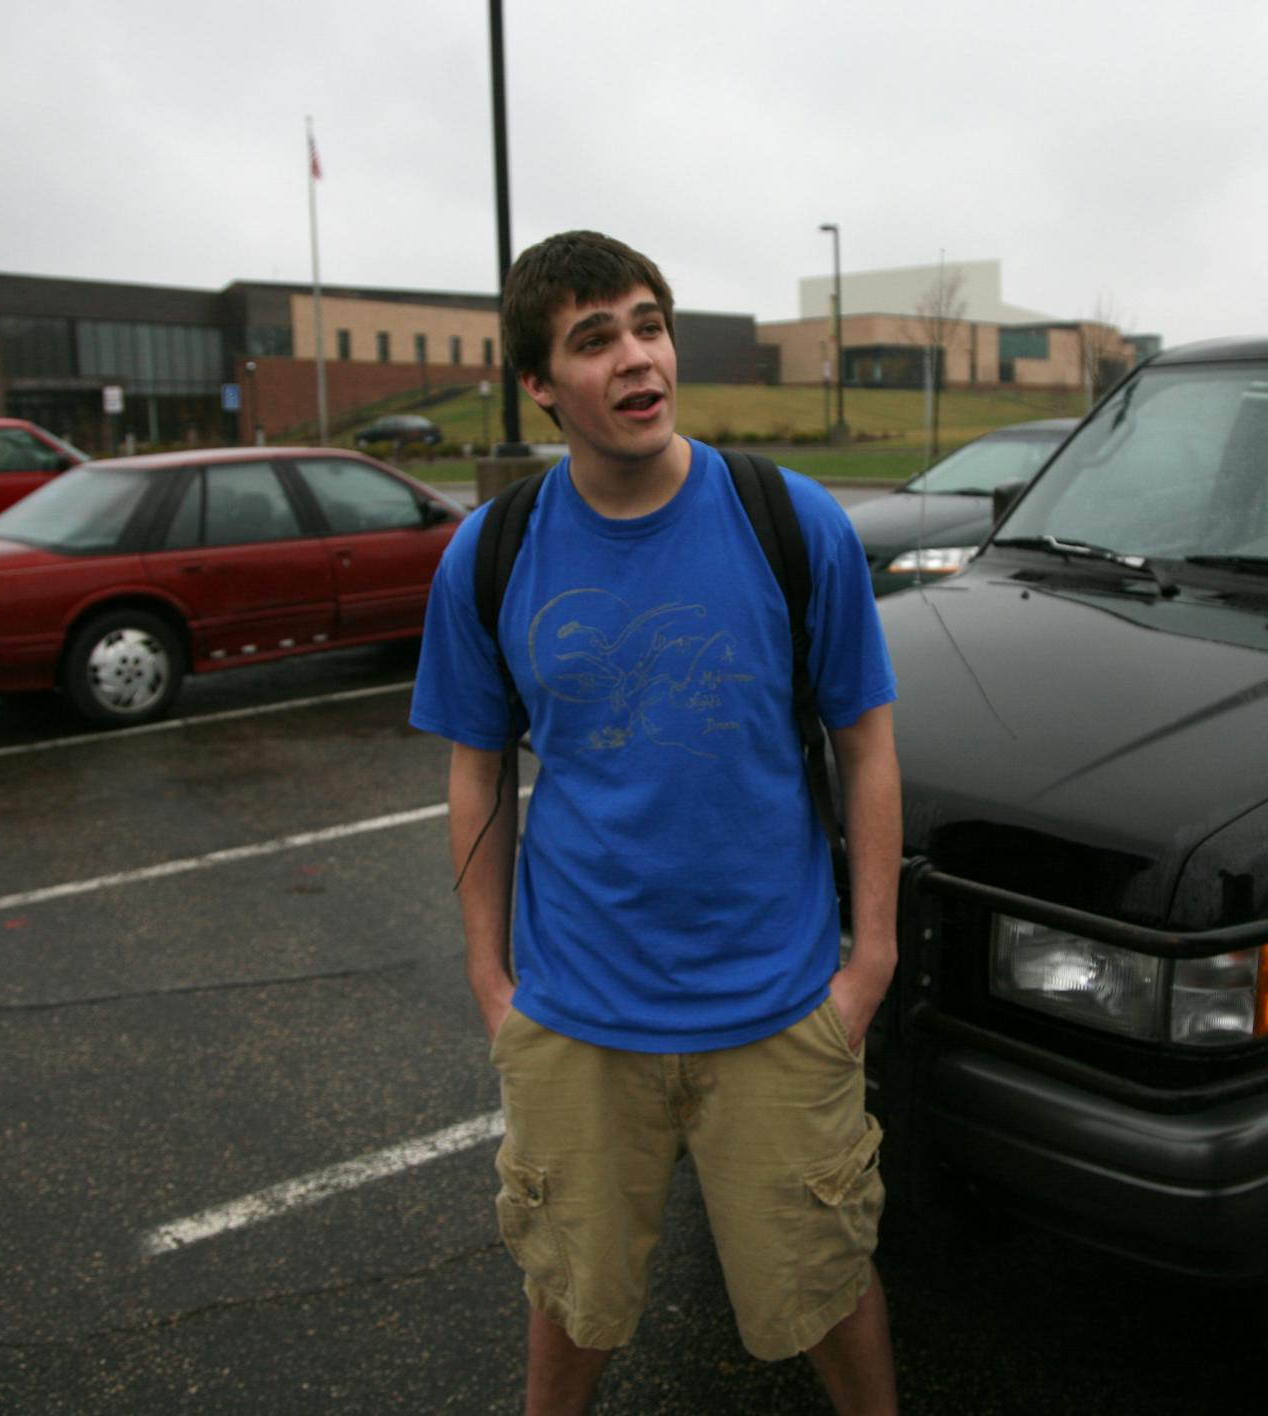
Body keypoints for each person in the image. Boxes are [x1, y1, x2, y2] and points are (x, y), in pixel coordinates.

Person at [408, 230, 902, 1416]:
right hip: (578, 1016)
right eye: (594, 341)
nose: (637, 359)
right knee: (572, 1289)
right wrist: (490, 977)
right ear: (539, 386)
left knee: (826, 1277)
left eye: (648, 324)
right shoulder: (495, 553)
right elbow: (477, 774)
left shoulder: (793, 524)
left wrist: (870, 959)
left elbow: (866, 743)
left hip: (778, 1007)